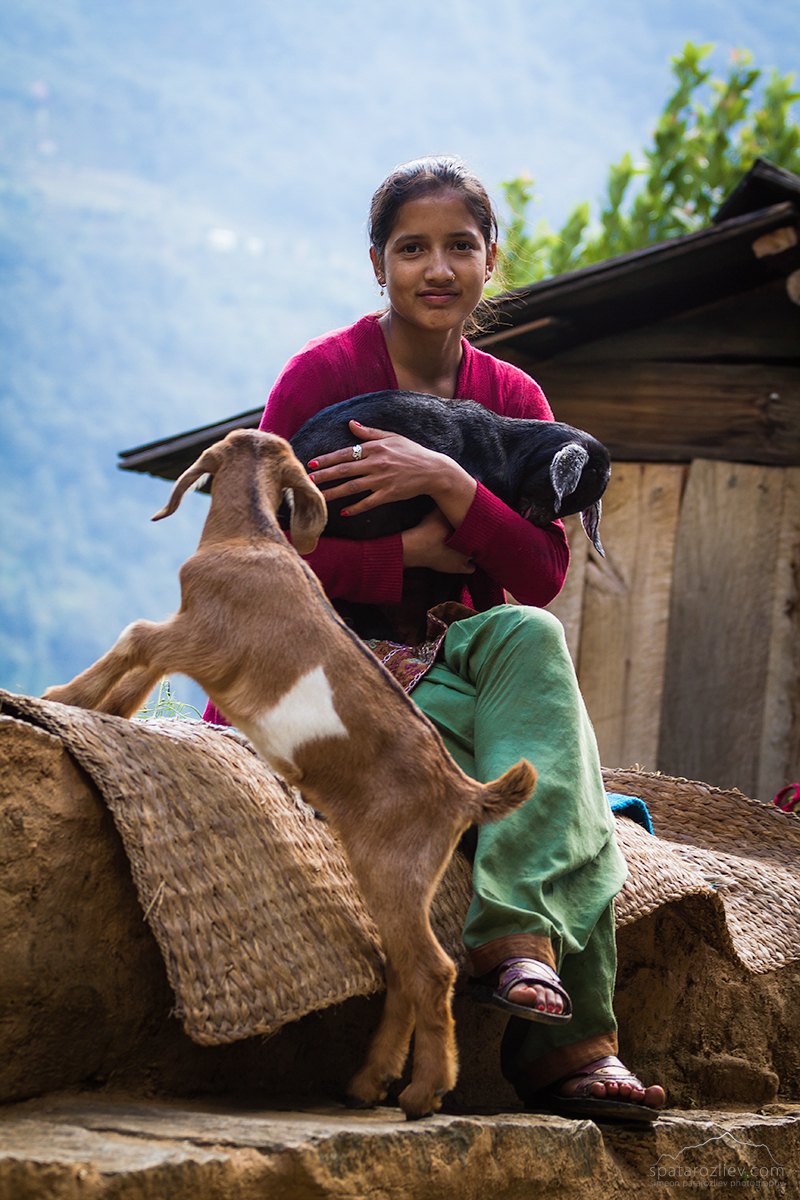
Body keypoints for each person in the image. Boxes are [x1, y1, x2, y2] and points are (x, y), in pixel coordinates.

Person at [204, 155, 666, 1121]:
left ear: (492, 259)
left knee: (531, 634)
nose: (437, 267)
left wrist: (452, 485)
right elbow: (247, 553)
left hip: (452, 661)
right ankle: (573, 1050)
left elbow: (542, 571)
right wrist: (410, 549)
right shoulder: (322, 378)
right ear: (376, 264)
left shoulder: (513, 395)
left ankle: (513, 940)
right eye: (412, 247)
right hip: (322, 665)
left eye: (461, 245)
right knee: (569, 788)